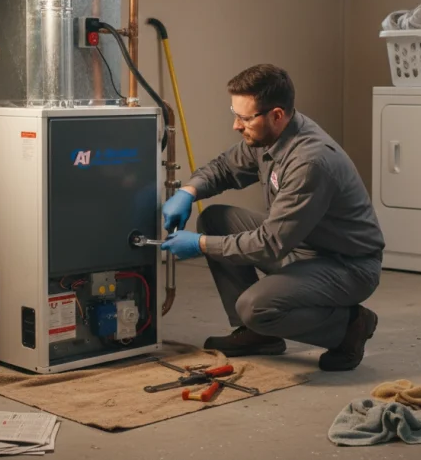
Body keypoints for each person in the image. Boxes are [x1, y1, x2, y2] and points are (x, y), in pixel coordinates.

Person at [159, 64, 385, 371]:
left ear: (276, 115)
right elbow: (225, 167)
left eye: (244, 117)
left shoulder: (309, 162)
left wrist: (199, 245)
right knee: (215, 220)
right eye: (234, 113)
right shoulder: (269, 136)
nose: (236, 125)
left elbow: (270, 244)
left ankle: (349, 326)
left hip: (345, 265)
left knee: (255, 306)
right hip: (301, 244)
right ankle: (259, 335)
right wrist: (188, 191)